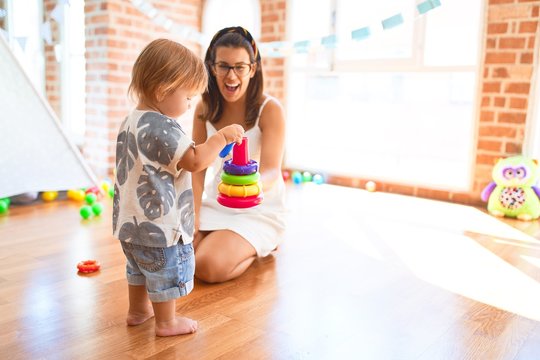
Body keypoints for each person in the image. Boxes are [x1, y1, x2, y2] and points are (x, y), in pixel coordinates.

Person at [112, 38, 244, 337]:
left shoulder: (130, 120)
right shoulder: (163, 126)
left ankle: (138, 310)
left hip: (130, 225)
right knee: (165, 273)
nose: (188, 106)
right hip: (160, 227)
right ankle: (166, 322)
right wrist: (220, 139)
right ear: (162, 89)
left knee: (138, 269)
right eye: (187, 97)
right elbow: (195, 160)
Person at [192, 27, 287, 283]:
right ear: (212, 67)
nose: (231, 75)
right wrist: (195, 215)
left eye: (240, 67)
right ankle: (224, 239)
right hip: (218, 202)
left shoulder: (270, 110)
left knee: (207, 266)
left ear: (252, 69)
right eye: (223, 66)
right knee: (182, 254)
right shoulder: (204, 106)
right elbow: (198, 167)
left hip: (258, 208)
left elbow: (271, 171)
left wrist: (246, 187)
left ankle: (263, 246)